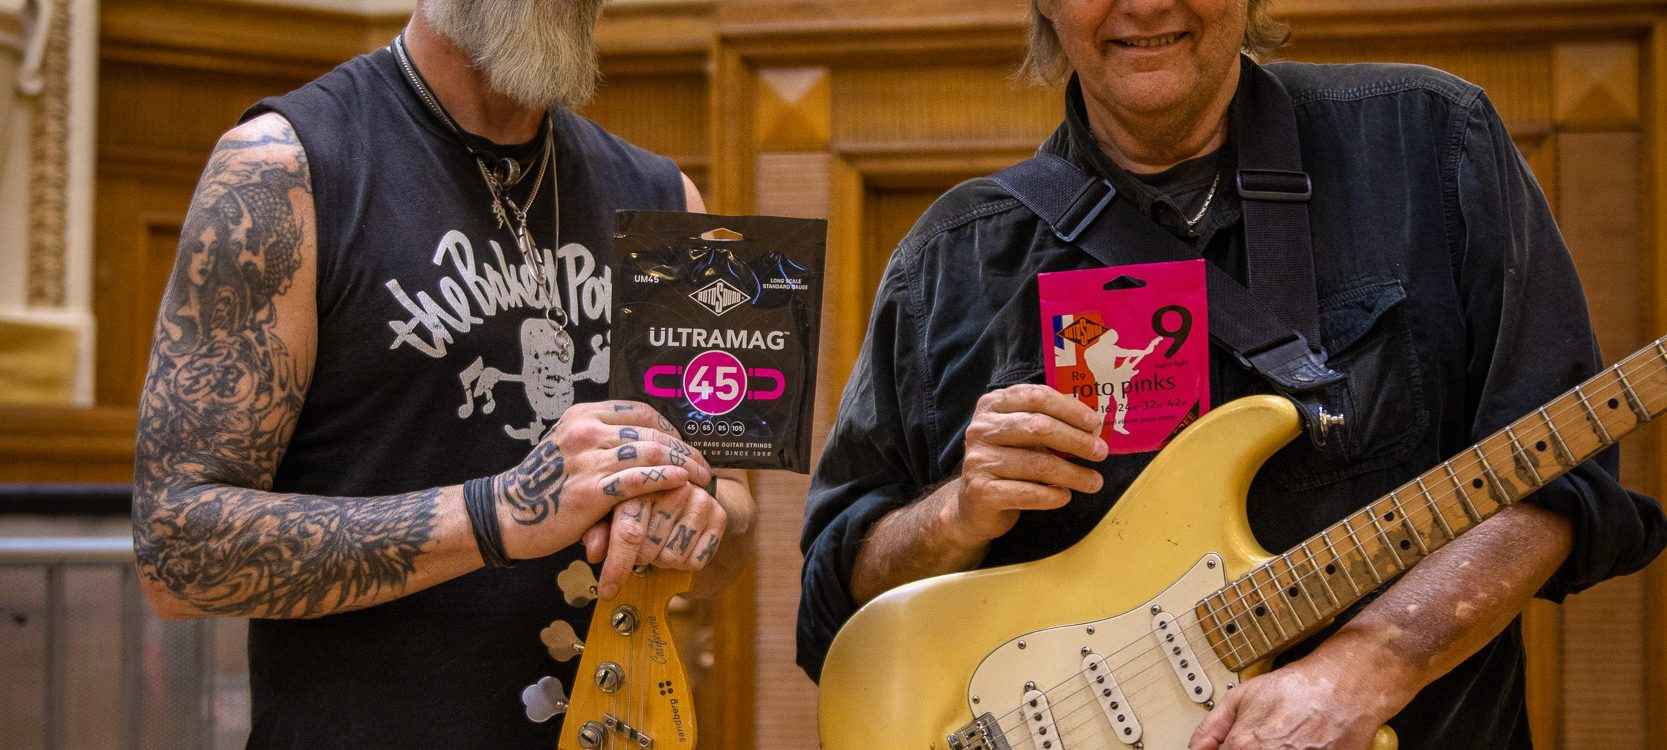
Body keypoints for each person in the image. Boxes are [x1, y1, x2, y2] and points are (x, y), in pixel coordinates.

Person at [797, 1, 1667, 748]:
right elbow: (836, 606)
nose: (1144, 6)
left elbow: (1558, 477)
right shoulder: (953, 257)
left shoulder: (1431, 141)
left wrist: (1374, 660)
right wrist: (954, 515)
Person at [130, 1, 754, 747]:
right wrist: (498, 513)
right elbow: (178, 552)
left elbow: (732, 529)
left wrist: (695, 521)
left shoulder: (665, 200)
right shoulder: (283, 168)